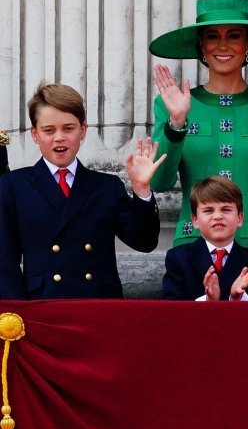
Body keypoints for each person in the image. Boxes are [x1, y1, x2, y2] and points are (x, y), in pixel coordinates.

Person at [148, 0, 248, 299]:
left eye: (234, 35)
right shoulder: (173, 105)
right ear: (200, 45)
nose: (222, 45)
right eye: (212, 36)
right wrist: (176, 122)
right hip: (191, 254)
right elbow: (159, 181)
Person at [0, 82, 164, 299]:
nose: (59, 137)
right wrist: (16, 314)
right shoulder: (13, 185)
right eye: (49, 130)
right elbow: (5, 259)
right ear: (35, 134)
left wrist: (141, 190)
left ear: (83, 130)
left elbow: (144, 242)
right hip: (42, 305)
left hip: (98, 305)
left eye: (68, 128)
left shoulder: (107, 186)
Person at [162, 176, 248, 301]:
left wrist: (236, 298)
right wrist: (208, 301)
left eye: (226, 209)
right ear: (195, 220)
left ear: (240, 218)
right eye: (208, 210)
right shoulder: (179, 258)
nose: (218, 216)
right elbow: (170, 311)